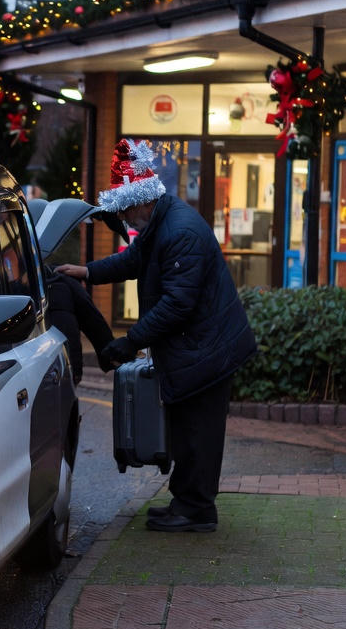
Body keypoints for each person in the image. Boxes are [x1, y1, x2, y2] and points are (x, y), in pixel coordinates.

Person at [57, 138, 256, 533]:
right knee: (185, 428)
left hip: (207, 351)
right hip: (195, 347)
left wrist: (129, 342)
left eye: (127, 211)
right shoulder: (160, 221)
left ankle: (197, 510)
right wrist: (89, 272)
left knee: (199, 433)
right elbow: (136, 259)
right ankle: (185, 502)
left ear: (140, 199)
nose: (126, 220)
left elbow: (177, 304)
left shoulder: (180, 232)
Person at [28, 198, 115, 384]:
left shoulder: (56, 283)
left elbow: (93, 321)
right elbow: (94, 322)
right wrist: (111, 356)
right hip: (64, 369)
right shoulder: (64, 283)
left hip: (52, 370)